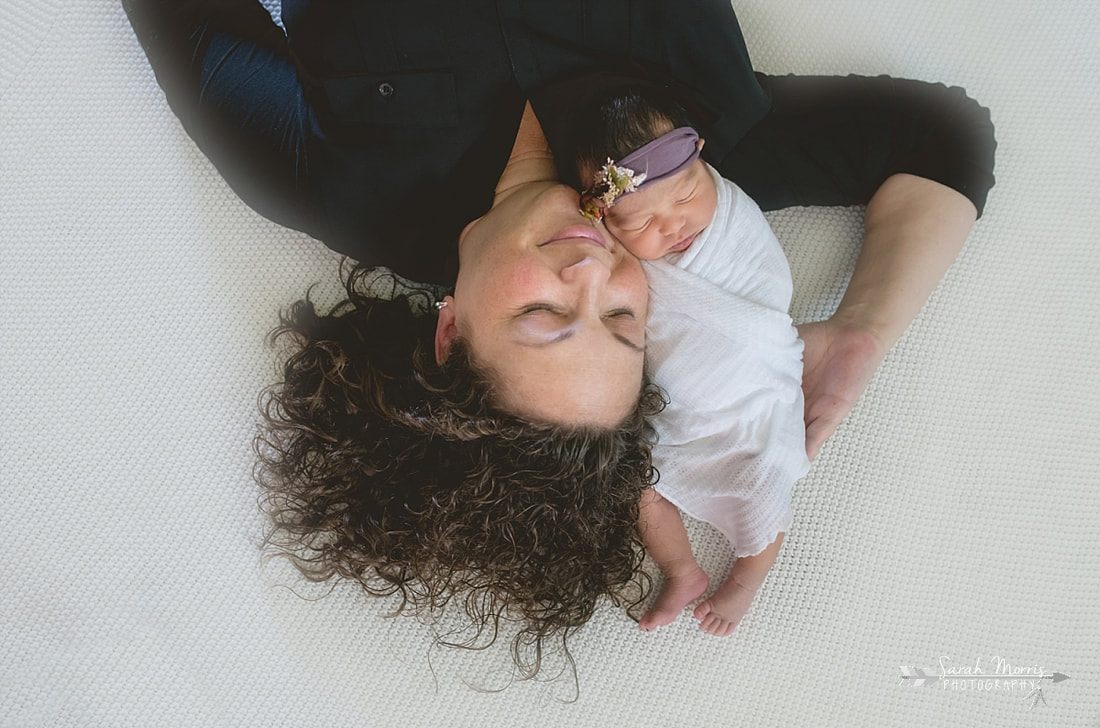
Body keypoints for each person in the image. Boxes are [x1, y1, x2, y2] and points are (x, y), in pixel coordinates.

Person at [124, 0, 995, 666]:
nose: (590, 272)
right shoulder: (695, 170)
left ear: (450, 331)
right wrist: (862, 333)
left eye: (542, 315)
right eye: (622, 319)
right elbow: (944, 140)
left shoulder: (331, 184)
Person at [572, 89, 808, 636]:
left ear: (702, 156)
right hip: (671, 414)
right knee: (630, 479)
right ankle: (681, 569)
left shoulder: (729, 221)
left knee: (763, 485)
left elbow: (767, 283)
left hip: (751, 391)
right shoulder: (610, 246)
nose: (674, 225)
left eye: (685, 195)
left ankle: (747, 580)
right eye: (640, 222)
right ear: (603, 219)